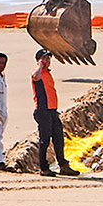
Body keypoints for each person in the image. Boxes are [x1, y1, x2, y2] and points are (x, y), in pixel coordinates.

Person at [30, 48, 75, 176]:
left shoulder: (48, 73)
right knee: (45, 139)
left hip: (52, 110)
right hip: (42, 111)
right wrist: (40, 65)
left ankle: (63, 165)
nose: (47, 60)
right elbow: (35, 77)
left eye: (48, 58)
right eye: (44, 58)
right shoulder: (37, 72)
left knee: (58, 138)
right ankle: (43, 168)